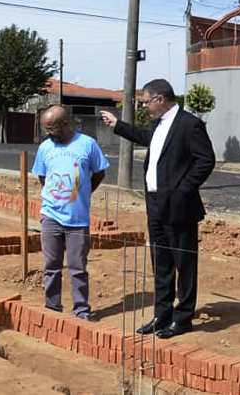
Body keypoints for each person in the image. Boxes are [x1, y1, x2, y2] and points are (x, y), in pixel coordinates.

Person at [100, 79, 215, 339]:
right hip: (154, 203)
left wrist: (183, 189)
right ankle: (162, 315)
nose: (144, 106)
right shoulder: (159, 124)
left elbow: (206, 160)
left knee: (184, 262)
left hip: (179, 205)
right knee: (161, 261)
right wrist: (118, 125)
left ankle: (183, 318)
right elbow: (147, 139)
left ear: (161, 99)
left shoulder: (189, 124)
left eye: (146, 101)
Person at [32, 105, 109, 320]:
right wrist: (56, 197)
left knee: (77, 267)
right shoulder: (45, 148)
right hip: (51, 216)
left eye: (52, 128)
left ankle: (81, 310)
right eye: (46, 129)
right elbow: (42, 177)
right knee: (51, 266)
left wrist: (82, 193)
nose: (48, 133)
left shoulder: (87, 144)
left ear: (65, 124)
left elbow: (99, 173)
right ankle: (52, 307)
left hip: (78, 218)